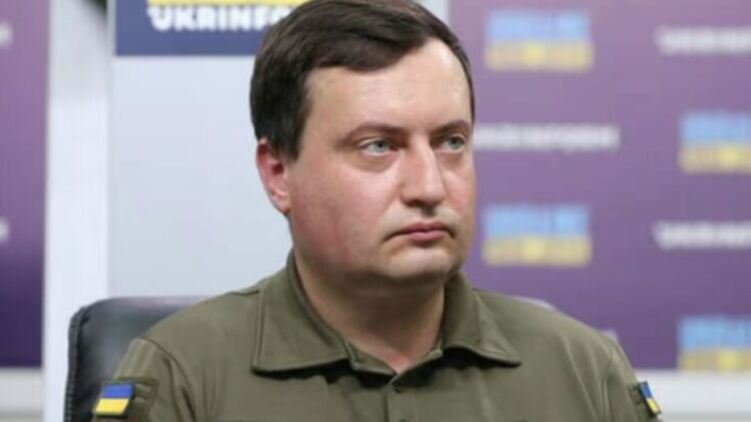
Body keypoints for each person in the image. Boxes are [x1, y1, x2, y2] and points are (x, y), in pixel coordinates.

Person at [92, 0, 662, 421]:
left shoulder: (584, 371)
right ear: (278, 174)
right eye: (378, 146)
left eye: (451, 142)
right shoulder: (183, 376)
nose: (429, 186)